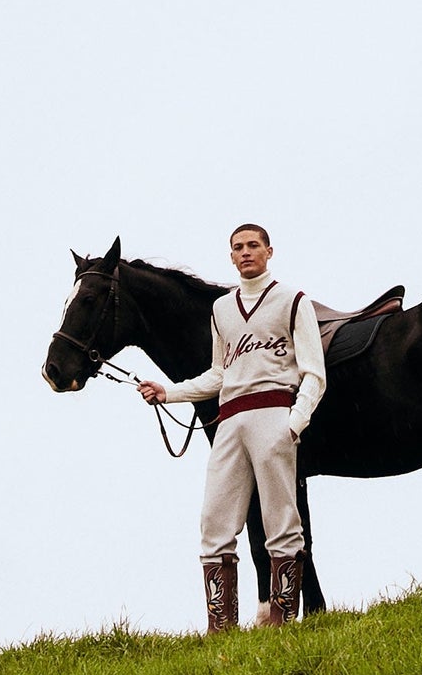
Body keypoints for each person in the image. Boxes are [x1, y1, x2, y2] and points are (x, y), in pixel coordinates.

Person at [140, 222, 326, 632]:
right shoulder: (221, 309)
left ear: (269, 251)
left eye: (253, 245)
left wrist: (294, 424)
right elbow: (218, 374)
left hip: (274, 411)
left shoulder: (293, 301)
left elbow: (315, 373)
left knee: (280, 519)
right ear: (231, 255)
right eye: (238, 247)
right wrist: (168, 393)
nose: (246, 252)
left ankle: (282, 617)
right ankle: (220, 624)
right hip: (230, 419)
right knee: (215, 521)